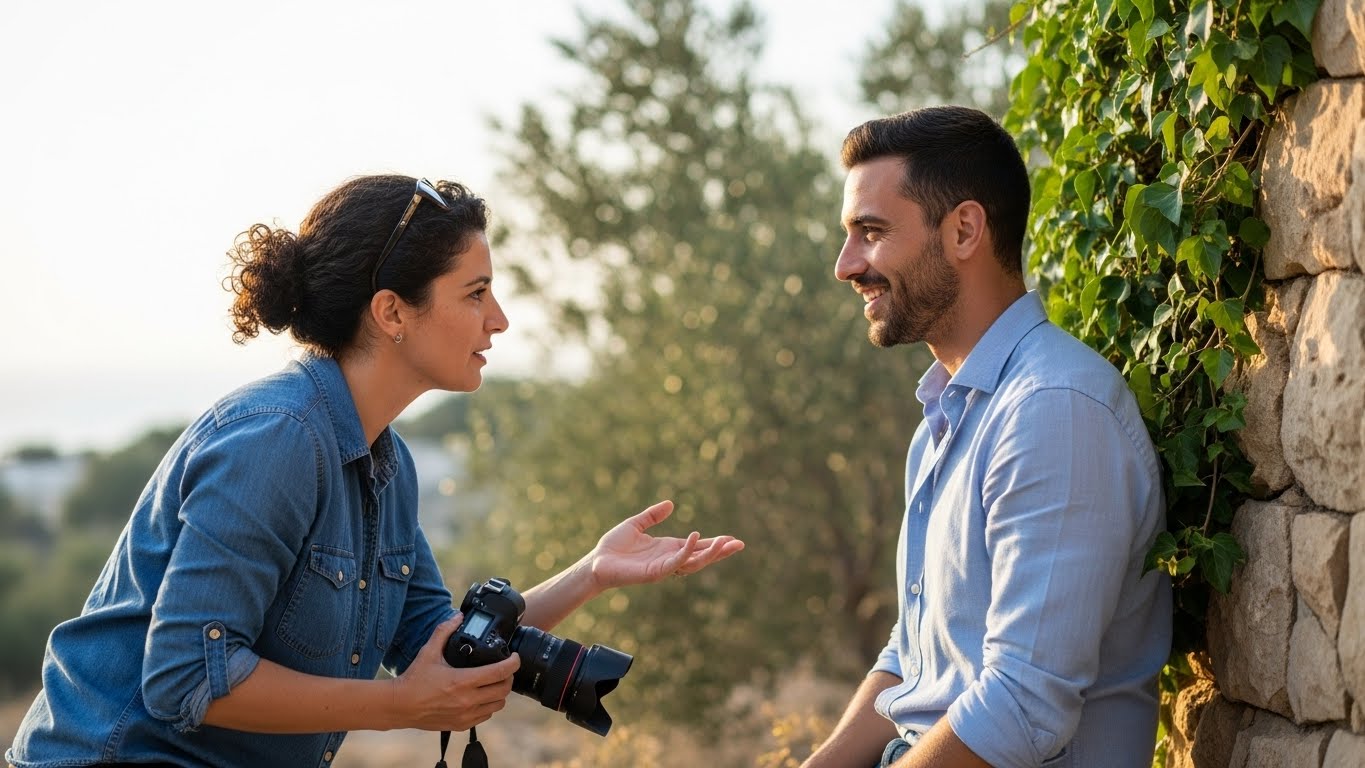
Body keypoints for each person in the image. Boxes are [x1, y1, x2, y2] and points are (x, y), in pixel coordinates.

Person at [5, 175, 745, 768]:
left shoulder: (384, 460)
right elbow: (187, 680)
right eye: (476, 292)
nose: (500, 321)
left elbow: (440, 642)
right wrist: (399, 709)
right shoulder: (276, 441)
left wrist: (592, 572)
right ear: (392, 312)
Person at [801, 107, 1171, 768]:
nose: (844, 264)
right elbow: (914, 654)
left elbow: (1022, 705)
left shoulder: (1054, 411)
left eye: (870, 232)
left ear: (964, 229)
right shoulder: (948, 416)